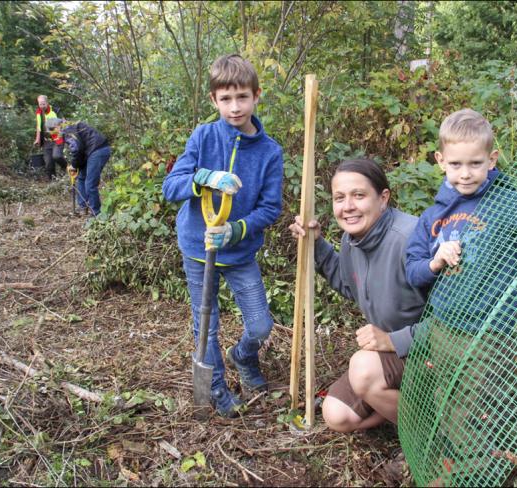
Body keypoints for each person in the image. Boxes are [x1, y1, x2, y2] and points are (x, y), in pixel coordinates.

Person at [404, 108, 517, 462]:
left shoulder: (507, 203)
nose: (465, 174)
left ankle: (475, 466)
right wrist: (435, 261)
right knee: (444, 394)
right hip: (443, 327)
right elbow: (413, 272)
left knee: (476, 402)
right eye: (456, 164)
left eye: (476, 163)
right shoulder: (434, 215)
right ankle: (452, 456)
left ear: (492, 159)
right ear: (441, 161)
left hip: (489, 331)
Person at [162, 54, 284, 418]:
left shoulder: (269, 152)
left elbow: (270, 208)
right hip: (199, 251)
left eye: (242, 97)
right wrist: (203, 178)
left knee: (261, 325)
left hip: (239, 252)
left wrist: (236, 229)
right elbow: (171, 187)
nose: (235, 107)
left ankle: (244, 357)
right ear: (214, 100)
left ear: (256, 96)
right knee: (207, 327)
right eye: (226, 99)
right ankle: (214, 389)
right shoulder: (203, 136)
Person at [289, 158, 428, 432]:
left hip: (431, 353)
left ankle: (429, 435)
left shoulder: (411, 239)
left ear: (383, 198)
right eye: (339, 198)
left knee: (363, 370)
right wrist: (316, 245)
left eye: (359, 195)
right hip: (392, 354)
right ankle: (402, 411)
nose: (348, 206)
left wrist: (392, 340)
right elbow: (348, 283)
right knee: (337, 415)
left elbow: (454, 322)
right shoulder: (353, 240)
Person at [45, 118, 111, 217]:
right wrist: (75, 166)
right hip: (89, 151)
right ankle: (83, 207)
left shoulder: (68, 130)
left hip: (98, 150)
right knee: (81, 178)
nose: (55, 135)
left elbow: (77, 149)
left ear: (57, 126)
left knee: (90, 184)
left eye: (53, 131)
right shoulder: (69, 126)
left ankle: (96, 214)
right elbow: (81, 148)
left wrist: (74, 165)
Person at [33, 95, 67, 180]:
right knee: (48, 164)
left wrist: (58, 127)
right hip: (46, 141)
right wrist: (37, 139)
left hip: (57, 139)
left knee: (57, 156)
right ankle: (53, 182)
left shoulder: (55, 110)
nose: (42, 106)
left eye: (43, 104)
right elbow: (38, 127)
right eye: (40, 104)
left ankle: (66, 168)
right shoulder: (38, 113)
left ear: (47, 103)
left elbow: (64, 122)